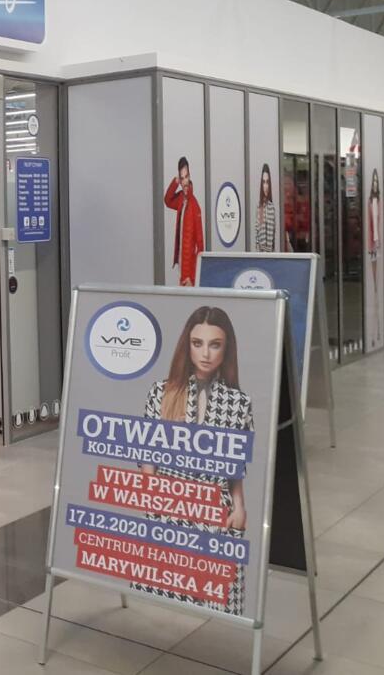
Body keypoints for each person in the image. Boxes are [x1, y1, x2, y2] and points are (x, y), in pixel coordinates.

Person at [139, 306, 253, 616]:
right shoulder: (162, 392)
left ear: (226, 349)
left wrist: (239, 507)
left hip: (215, 505)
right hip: (169, 502)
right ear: (186, 346)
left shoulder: (238, 402)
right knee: (163, 598)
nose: (205, 353)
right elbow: (146, 454)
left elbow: (235, 464)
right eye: (197, 343)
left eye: (215, 344)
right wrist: (152, 498)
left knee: (218, 598)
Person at [164, 156, 204, 285]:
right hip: (181, 267)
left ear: (190, 176)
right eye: (182, 178)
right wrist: (175, 181)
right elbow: (167, 200)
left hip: (189, 274)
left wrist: (192, 277)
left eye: (186, 177)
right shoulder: (181, 199)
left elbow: (200, 246)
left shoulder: (195, 206)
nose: (185, 181)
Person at [370, 168, 382, 345]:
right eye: (373, 182)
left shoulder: (378, 201)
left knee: (377, 285)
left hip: (377, 246)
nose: (374, 185)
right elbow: (373, 225)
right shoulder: (372, 202)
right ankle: (376, 332)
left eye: (375, 182)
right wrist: (375, 241)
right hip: (373, 247)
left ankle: (378, 331)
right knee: (374, 286)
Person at [255, 163, 276, 253]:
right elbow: (258, 231)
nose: (266, 186)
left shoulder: (271, 207)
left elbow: (272, 236)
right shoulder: (260, 207)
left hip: (269, 254)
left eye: (267, 182)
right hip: (261, 254)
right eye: (263, 182)